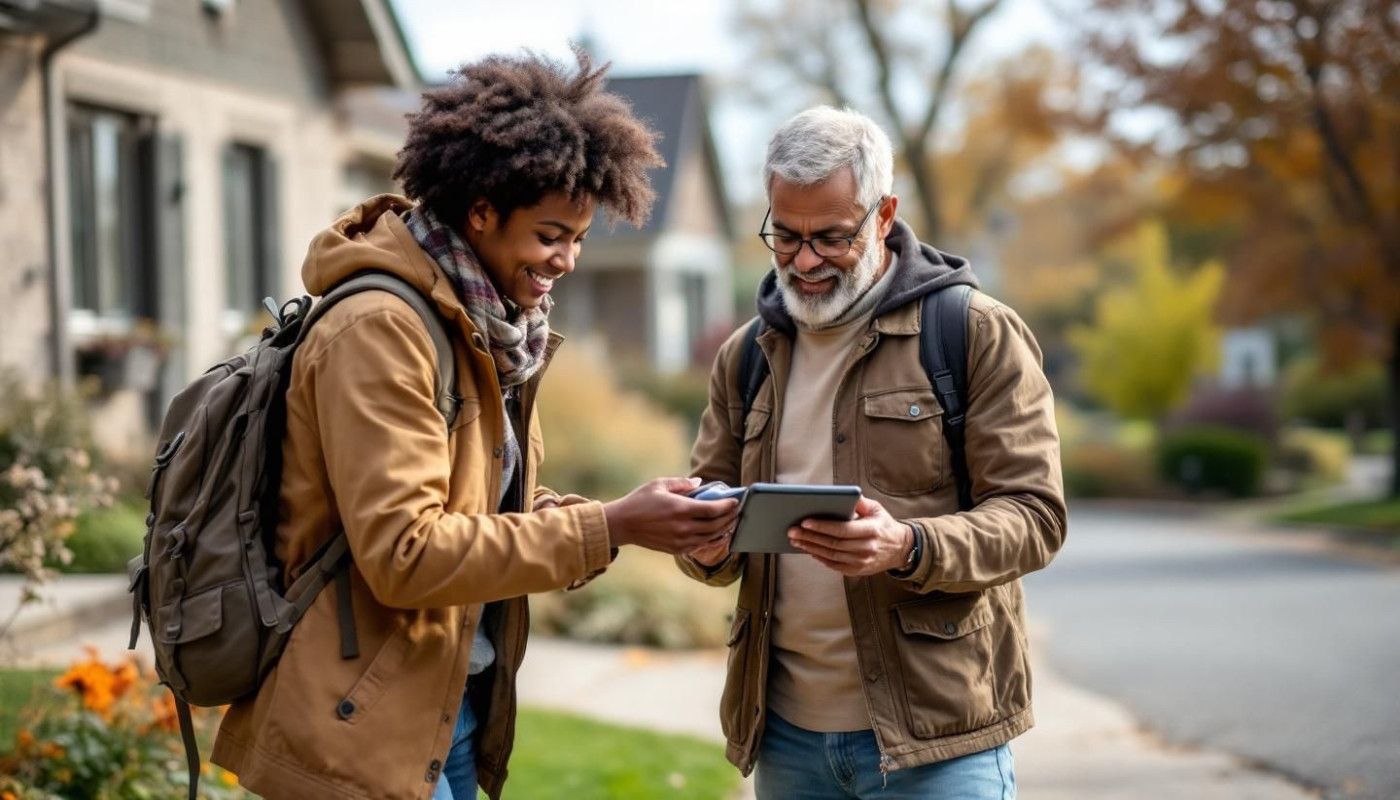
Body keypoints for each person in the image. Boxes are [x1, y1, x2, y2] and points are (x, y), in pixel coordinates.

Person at [211, 50, 740, 800]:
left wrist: (614, 516)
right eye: (552, 234)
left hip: (438, 709)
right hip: (356, 726)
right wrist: (613, 526)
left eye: (580, 238)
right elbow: (407, 553)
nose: (568, 260)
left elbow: (478, 514)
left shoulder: (481, 325)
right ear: (482, 208)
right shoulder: (382, 329)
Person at [678, 106, 1067, 799]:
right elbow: (709, 513)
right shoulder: (745, 357)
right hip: (787, 736)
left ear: (883, 215)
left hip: (940, 741)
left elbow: (1035, 517)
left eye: (830, 237)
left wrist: (909, 545)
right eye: (784, 236)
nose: (803, 260)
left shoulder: (973, 332)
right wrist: (702, 543)